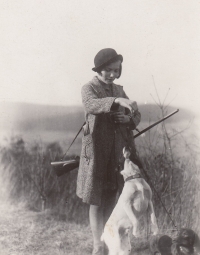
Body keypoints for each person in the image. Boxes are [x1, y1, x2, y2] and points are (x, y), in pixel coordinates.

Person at [76, 48, 142, 255]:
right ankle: (97, 244)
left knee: (113, 196)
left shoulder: (119, 89)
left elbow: (136, 113)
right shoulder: (89, 88)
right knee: (96, 197)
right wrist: (116, 102)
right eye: (108, 70)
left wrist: (128, 119)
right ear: (99, 69)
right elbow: (91, 105)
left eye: (116, 70)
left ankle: (109, 238)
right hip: (96, 153)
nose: (113, 75)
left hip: (117, 153)